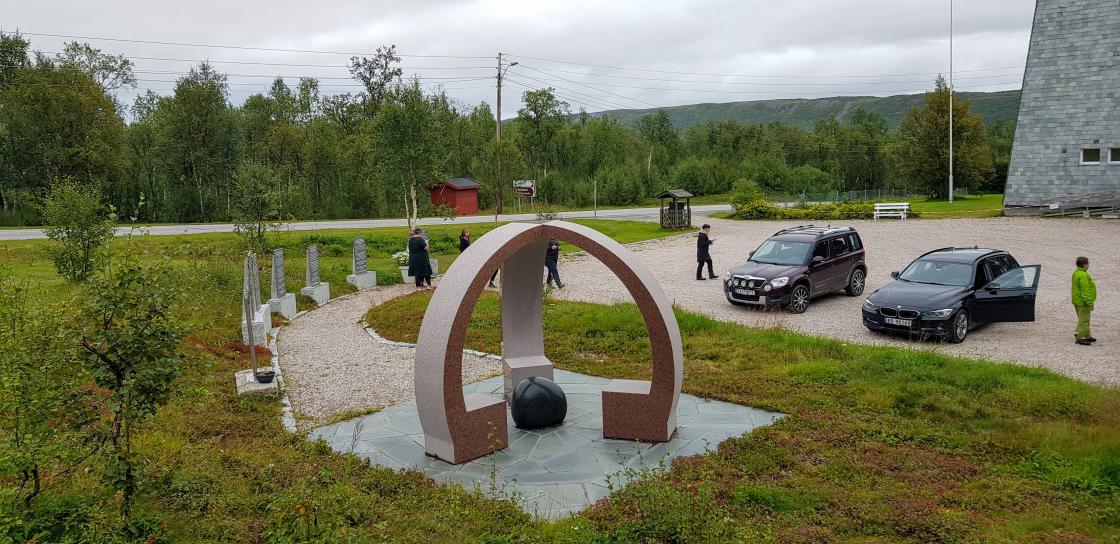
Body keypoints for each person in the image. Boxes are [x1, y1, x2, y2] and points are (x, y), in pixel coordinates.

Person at [1072, 256, 1097, 346]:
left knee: (1084, 319)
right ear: (1084, 264)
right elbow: (1085, 291)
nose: (1089, 264)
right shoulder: (1083, 275)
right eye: (1088, 263)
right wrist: (1090, 303)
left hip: (1077, 301)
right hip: (1083, 302)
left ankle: (1087, 335)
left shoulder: (1077, 272)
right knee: (1084, 320)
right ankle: (1080, 337)